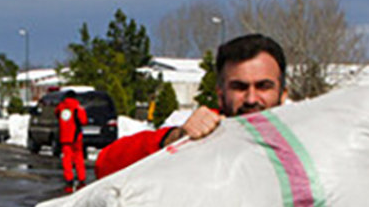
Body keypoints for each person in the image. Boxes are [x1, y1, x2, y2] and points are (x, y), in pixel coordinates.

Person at [95, 33, 289, 179]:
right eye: (239, 87)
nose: (251, 99)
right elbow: (105, 165)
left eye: (264, 86)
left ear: (283, 94)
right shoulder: (202, 137)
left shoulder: (305, 139)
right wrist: (173, 139)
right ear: (220, 95)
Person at [56, 90, 88, 192]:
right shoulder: (77, 107)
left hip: (64, 137)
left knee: (67, 160)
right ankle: (81, 179)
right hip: (76, 137)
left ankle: (69, 180)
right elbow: (83, 120)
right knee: (78, 158)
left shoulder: (61, 107)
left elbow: (57, 114)